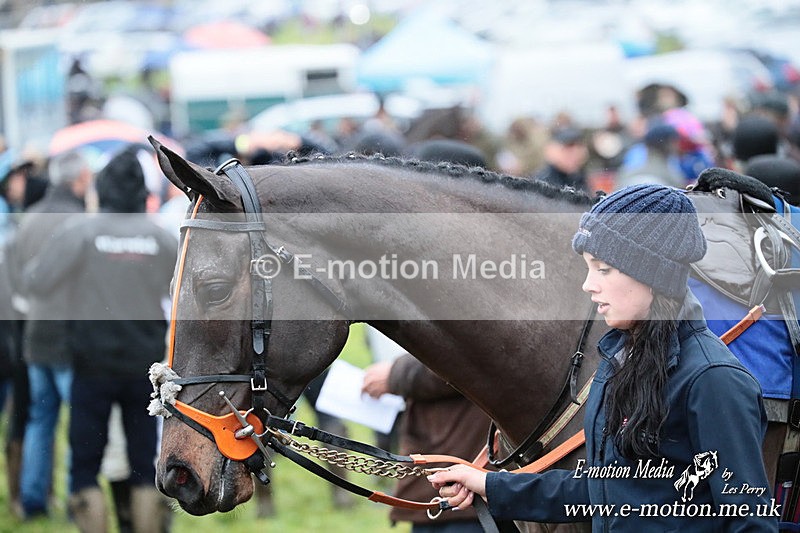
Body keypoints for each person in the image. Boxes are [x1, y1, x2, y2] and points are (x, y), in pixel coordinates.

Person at [428, 184, 776, 531]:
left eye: (604, 269)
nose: (588, 284)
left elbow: (750, 521)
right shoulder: (618, 362)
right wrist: (490, 484)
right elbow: (603, 491)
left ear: (652, 274)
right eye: (588, 268)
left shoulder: (713, 380)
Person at [21, 145, 177, 532]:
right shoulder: (160, 238)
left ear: (102, 190)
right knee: (145, 459)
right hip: (144, 366)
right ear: (143, 194)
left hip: (90, 364)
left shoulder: (79, 232)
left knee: (85, 462)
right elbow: (179, 289)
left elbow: (37, 282)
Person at [5, 150, 91, 519]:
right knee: (77, 423)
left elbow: (15, 283)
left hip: (35, 337)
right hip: (71, 340)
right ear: (80, 181)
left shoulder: (29, 219)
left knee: (41, 422)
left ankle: (32, 501)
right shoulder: (82, 223)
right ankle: (76, 502)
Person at [531, 126, 589, 192]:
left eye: (579, 146)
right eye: (568, 146)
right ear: (550, 150)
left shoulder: (578, 176)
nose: (576, 153)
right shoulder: (543, 183)